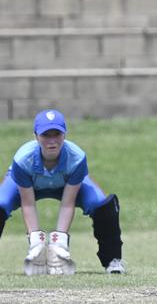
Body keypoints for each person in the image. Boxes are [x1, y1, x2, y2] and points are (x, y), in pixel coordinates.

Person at [0, 109, 125, 275]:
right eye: (46, 135)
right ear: (36, 135)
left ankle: (113, 261)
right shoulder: (23, 159)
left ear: (65, 134)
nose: (52, 141)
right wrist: (36, 242)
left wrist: (59, 242)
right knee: (1, 203)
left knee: (101, 204)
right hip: (27, 185)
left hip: (66, 185)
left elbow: (68, 203)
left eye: (57, 134)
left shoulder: (77, 157)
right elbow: (28, 204)